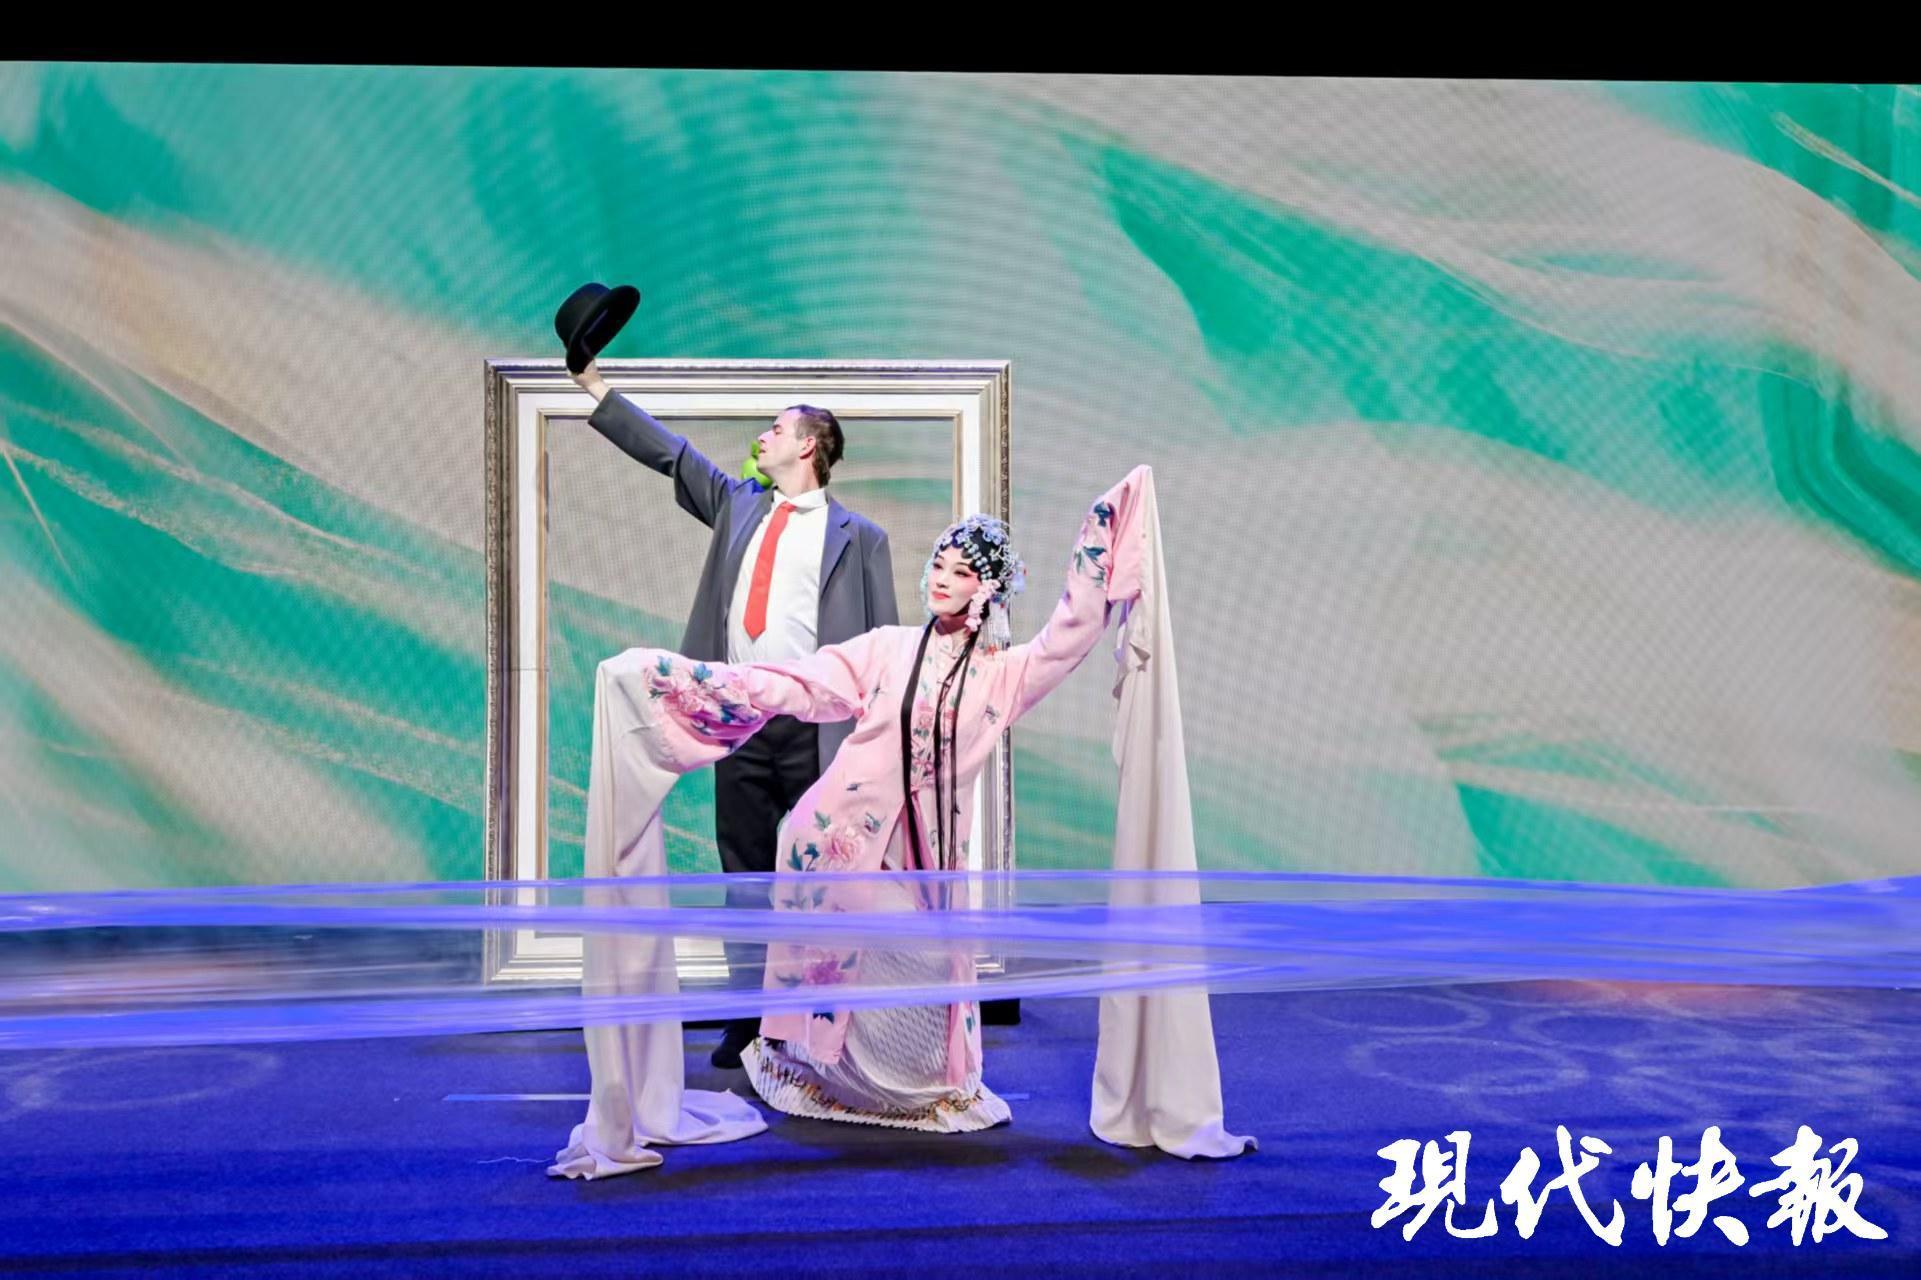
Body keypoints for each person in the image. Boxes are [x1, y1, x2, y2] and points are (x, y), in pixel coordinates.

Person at [604, 466, 1145, 1129]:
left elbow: (1070, 635)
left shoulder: (1004, 676)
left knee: (920, 962)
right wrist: (696, 680)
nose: (941, 579)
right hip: (838, 840)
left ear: (988, 590)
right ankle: (838, 1082)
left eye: (961, 572)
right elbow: (801, 682)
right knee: (859, 957)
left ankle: (903, 1088)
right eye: (938, 565)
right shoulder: (889, 649)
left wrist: (1103, 529)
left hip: (924, 858)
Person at [570, 359, 899, 1068]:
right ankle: (748, 1018)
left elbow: (883, 642)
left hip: (819, 729)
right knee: (745, 877)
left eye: (776, 429)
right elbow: (671, 455)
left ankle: (821, 1023)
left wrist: (881, 735)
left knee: (825, 878)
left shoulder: (860, 537)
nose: (762, 437)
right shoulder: (738, 506)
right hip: (744, 719)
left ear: (808, 445)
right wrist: (595, 388)